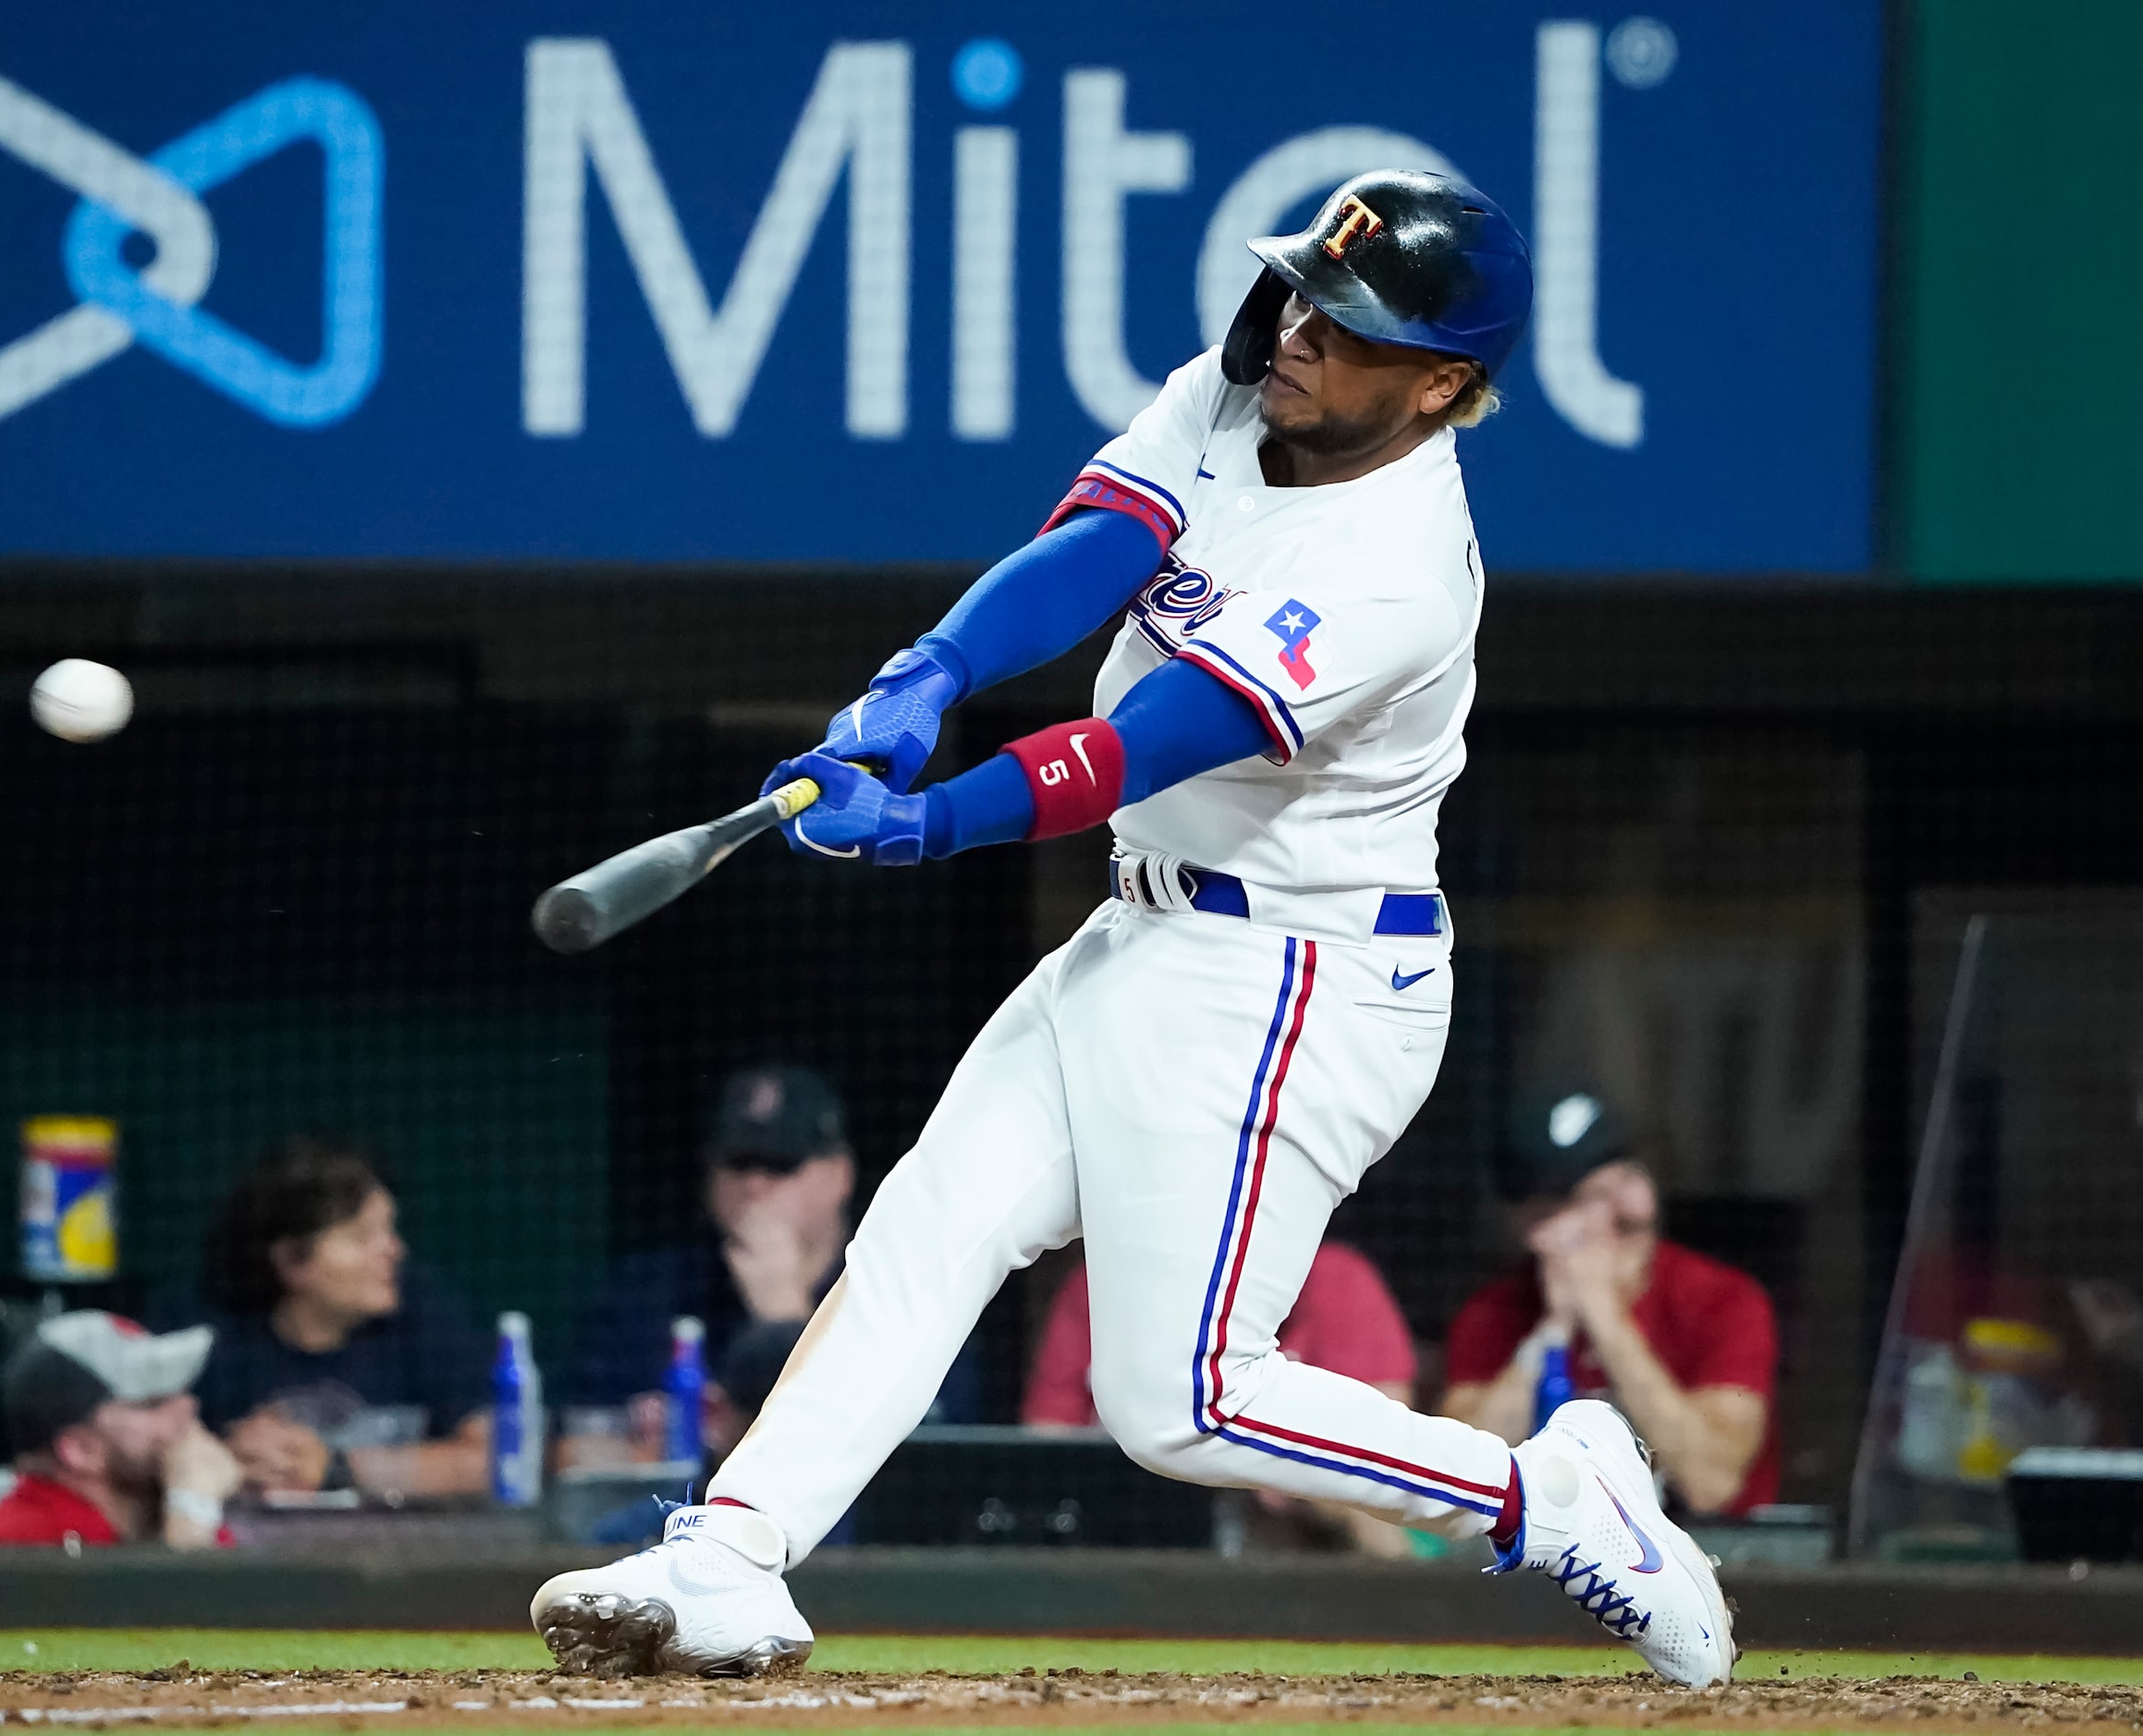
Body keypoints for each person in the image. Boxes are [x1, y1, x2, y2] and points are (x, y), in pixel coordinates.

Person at [530, 170, 1733, 1689]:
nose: (1297, 330)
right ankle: (729, 1553)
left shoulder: (1395, 571)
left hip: (1299, 973)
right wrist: (926, 671)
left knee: (1181, 1402)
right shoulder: (1247, 391)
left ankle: (1547, 1495)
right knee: (924, 1228)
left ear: (1439, 383)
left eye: (1346, 324)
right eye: (1302, 290)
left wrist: (927, 821)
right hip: (1145, 929)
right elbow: (1099, 544)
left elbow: (1136, 747)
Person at [563, 1066, 979, 1443]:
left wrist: (784, 1322)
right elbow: (573, 1446)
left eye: (780, 1165)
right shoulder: (650, 1293)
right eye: (738, 1163)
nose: (754, 1186)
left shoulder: (907, 1292)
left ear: (839, 1175)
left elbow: (934, 1454)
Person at [1440, 1082, 1780, 1517]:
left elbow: (1710, 1484)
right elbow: (1456, 1490)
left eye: (1632, 1178)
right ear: (1537, 1225)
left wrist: (1607, 1318)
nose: (1632, 1210)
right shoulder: (1494, 1313)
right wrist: (1551, 1332)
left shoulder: (1723, 1300)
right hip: (1543, 1564)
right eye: (1594, 1196)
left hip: (1712, 1562)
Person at [1023, 1241, 1419, 1555]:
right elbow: (1047, 1445)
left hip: (1293, 1504)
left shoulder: (1337, 1279)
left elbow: (1384, 1438)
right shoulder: (1105, 1286)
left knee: (1365, 1507)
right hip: (1140, 1512)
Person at [190, 1137, 493, 1498]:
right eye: (361, 1237)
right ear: (291, 1261)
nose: (394, 1250)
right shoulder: (214, 1338)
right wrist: (224, 1460)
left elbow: (496, 1462)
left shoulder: (422, 1314)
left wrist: (335, 1467)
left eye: (389, 1230)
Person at [0, 1310, 239, 1548]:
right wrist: (192, 1514)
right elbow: (175, 1608)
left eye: (182, 1392)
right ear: (81, 1450)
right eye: (153, 1404)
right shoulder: (21, 1537)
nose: (187, 1410)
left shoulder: (165, 1509)